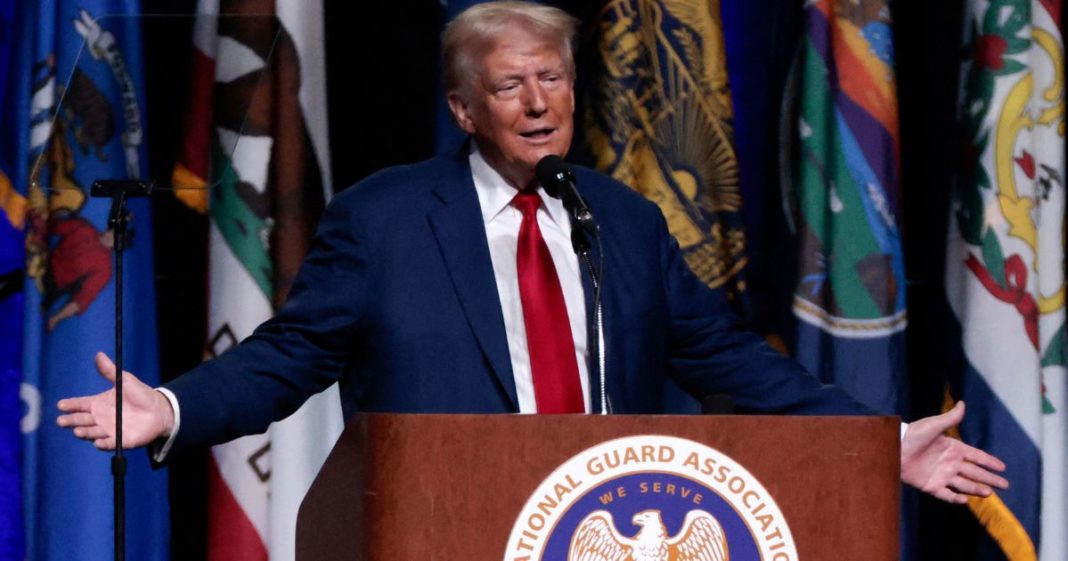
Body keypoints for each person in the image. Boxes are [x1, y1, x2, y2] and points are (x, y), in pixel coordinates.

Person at [57, 1, 1006, 505]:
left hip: (601, 525)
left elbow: (730, 362)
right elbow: (290, 355)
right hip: (443, 528)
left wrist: (873, 440)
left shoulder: (623, 220)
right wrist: (175, 403)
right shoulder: (384, 220)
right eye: (512, 85)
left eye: (553, 77)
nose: (540, 101)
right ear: (466, 111)